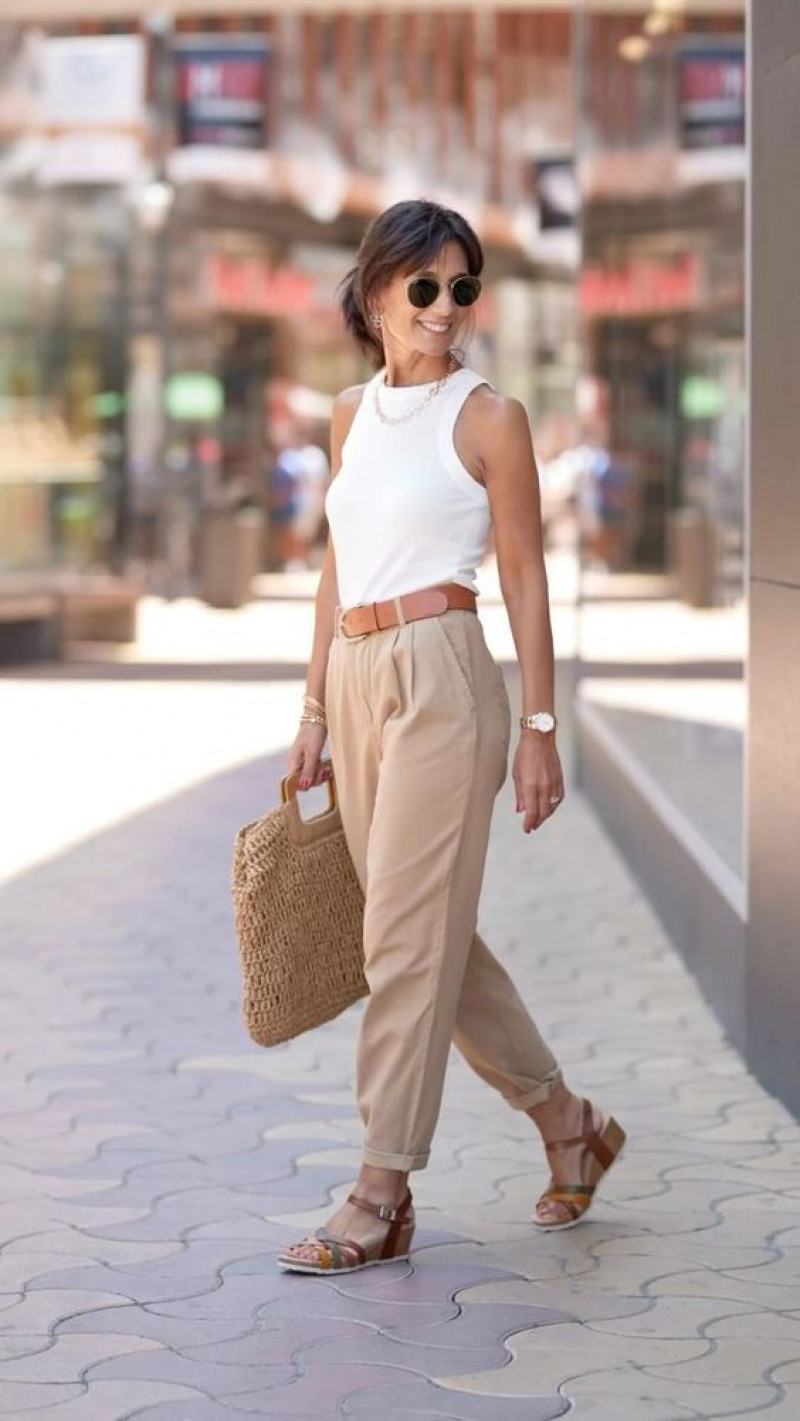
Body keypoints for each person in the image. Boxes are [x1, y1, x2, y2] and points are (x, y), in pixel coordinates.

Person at [277, 200, 626, 1276]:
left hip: (443, 676)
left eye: (461, 287)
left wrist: (537, 725)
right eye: (422, 286)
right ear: (375, 290)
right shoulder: (348, 413)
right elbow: (339, 567)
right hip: (357, 666)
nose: (443, 308)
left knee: (400, 941)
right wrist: (313, 706)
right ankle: (567, 1120)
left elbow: (522, 573)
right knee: (419, 930)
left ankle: (381, 1184)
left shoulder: (490, 417)